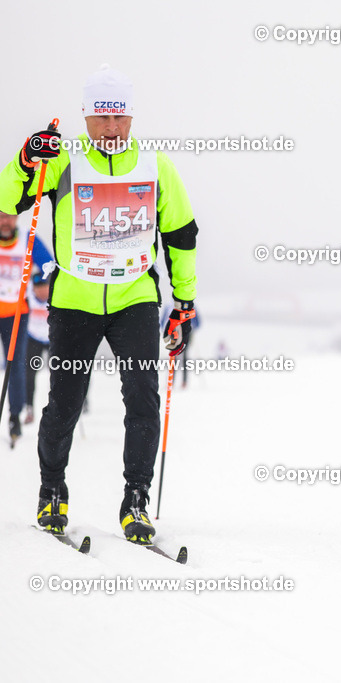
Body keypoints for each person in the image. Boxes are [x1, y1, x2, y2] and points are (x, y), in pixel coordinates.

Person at [0, 65, 199, 543]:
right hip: (75, 299)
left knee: (143, 399)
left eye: (119, 118)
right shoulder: (62, 160)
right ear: (86, 117)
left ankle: (136, 499)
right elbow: (8, 201)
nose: (112, 128)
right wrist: (26, 160)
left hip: (135, 297)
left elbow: (181, 235)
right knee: (64, 404)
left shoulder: (155, 165)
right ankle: (52, 490)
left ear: (131, 117)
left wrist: (184, 301)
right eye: (102, 118)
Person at [0, 210, 54, 442]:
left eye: (9, 216)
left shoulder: (27, 239)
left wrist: (39, 281)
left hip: (16, 313)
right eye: (0, 216)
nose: (5, 221)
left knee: (15, 364)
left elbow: (49, 264)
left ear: (16, 218)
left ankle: (15, 416)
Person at [24, 273, 52, 424]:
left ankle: (76, 402)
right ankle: (29, 407)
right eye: (38, 288)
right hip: (33, 337)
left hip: (52, 338)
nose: (41, 291)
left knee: (62, 371)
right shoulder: (28, 295)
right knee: (29, 373)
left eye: (44, 287)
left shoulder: (55, 296)